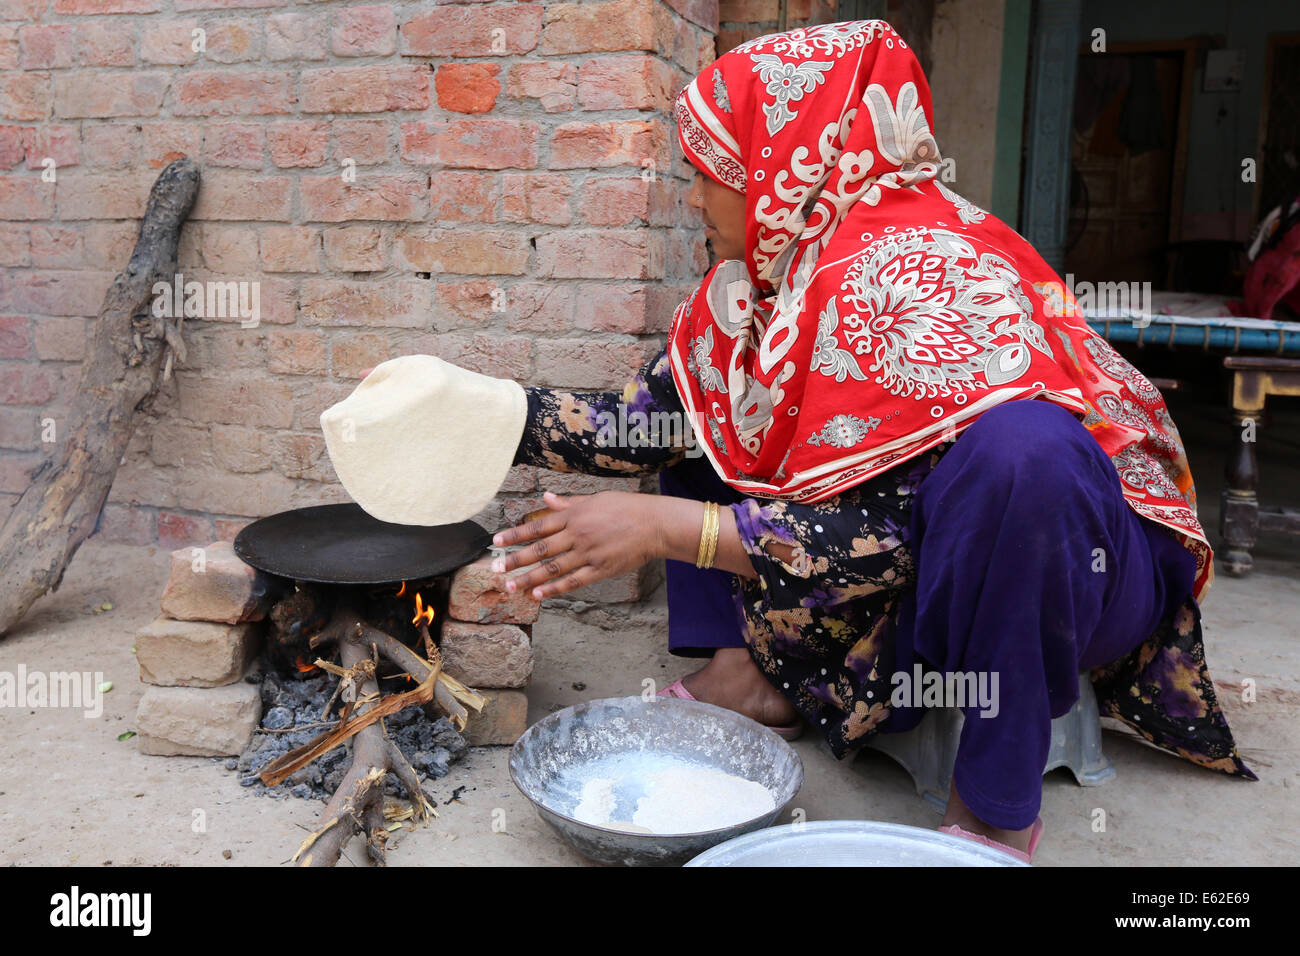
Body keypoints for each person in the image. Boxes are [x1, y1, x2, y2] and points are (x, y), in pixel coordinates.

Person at [489, 19, 1253, 863]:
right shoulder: (755, 289)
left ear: (785, 168)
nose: (695, 198)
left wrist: (669, 529)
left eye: (713, 174)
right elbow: (647, 427)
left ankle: (994, 804)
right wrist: (482, 414)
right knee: (715, 394)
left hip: (1062, 571)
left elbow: (889, 535)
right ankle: (748, 668)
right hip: (900, 553)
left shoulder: (930, 271)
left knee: (1024, 454)